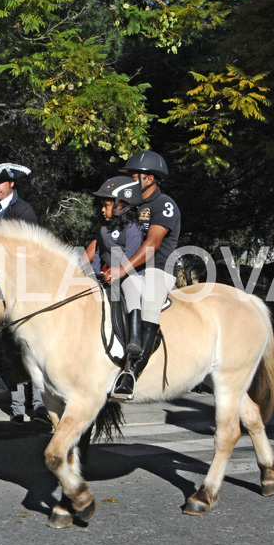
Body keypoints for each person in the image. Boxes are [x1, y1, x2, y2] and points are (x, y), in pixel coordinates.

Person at [104, 151, 181, 400]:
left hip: (158, 269)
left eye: (133, 175)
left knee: (149, 304)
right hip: (133, 270)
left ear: (149, 179)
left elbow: (152, 244)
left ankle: (131, 375)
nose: (129, 181)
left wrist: (121, 269)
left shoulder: (164, 204)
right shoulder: (130, 205)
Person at [0, 162, 45, 425]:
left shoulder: (23, 211)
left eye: (0, 182)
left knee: (29, 344)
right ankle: (16, 406)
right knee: (1, 344)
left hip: (24, 285)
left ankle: (38, 405)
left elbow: (28, 250)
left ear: (12, 183)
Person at [85, 175, 145, 364]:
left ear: (122, 205)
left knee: (132, 289)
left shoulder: (134, 228)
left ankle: (135, 338)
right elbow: (100, 252)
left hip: (131, 275)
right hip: (110, 274)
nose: (103, 209)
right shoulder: (104, 229)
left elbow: (130, 255)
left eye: (107, 205)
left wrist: (118, 272)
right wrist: (94, 273)